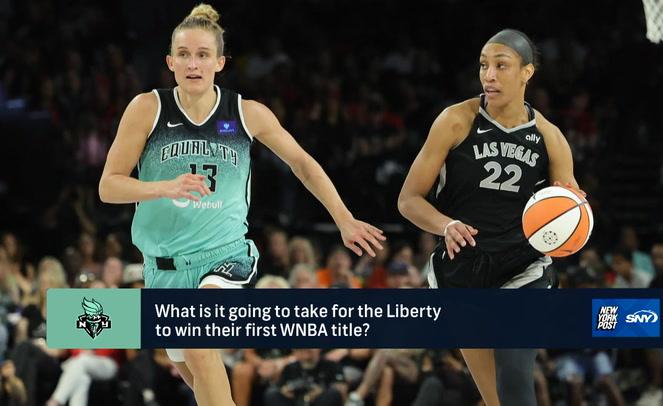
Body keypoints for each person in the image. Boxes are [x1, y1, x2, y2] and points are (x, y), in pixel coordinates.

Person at [98, 4, 385, 406]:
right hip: (163, 268)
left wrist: (344, 218)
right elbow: (108, 186)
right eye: (183, 54)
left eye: (202, 55)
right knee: (199, 379)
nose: (192, 63)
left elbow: (303, 163)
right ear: (169, 61)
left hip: (225, 257)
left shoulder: (246, 113)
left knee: (198, 337)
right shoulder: (148, 108)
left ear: (220, 61)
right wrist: (163, 187)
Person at [398, 29, 582, 405]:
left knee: (515, 381)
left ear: (527, 73)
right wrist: (445, 224)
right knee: (496, 397)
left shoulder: (550, 138)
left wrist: (575, 211)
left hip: (523, 268)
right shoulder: (455, 121)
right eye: (484, 65)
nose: (489, 75)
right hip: (463, 272)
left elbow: (571, 209)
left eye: (501, 65)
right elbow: (408, 200)